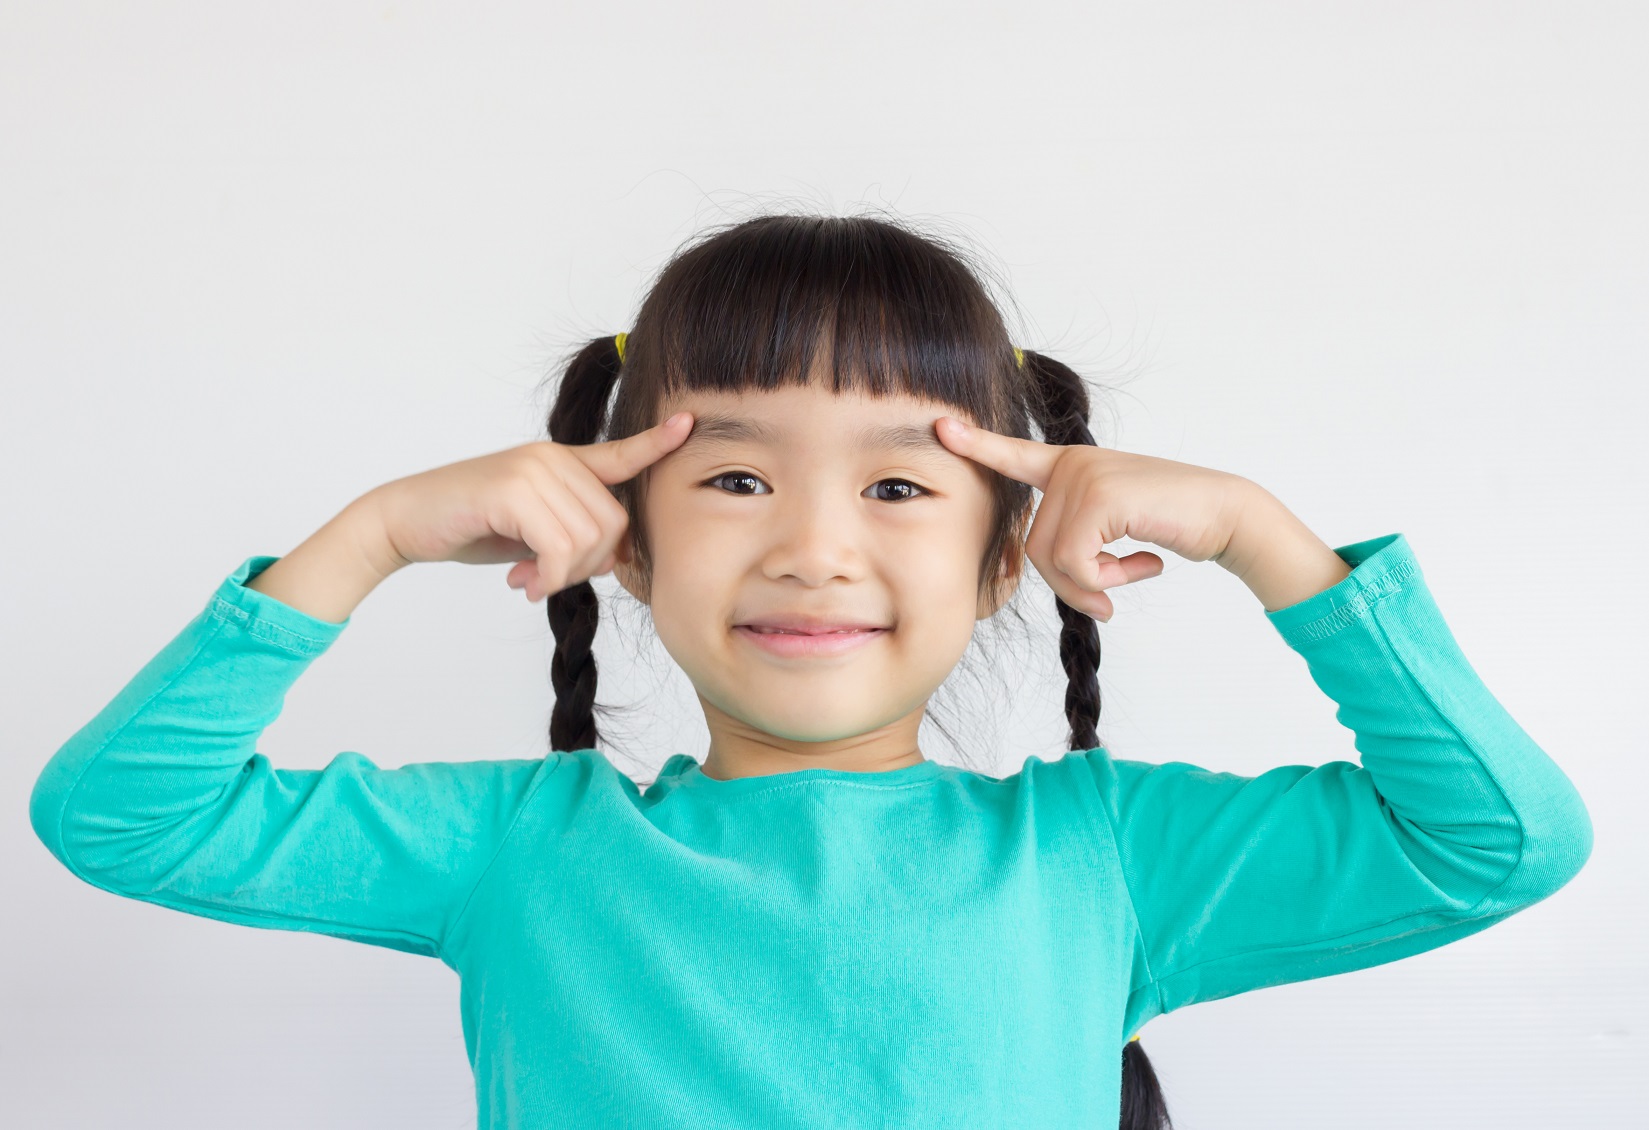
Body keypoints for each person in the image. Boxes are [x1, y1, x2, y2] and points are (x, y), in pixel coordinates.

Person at [29, 213, 1592, 1130]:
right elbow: (122, 815)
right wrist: (360, 539)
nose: (814, 549)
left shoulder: (1101, 855)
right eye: (734, 480)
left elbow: (1498, 841)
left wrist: (1266, 541)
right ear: (619, 542)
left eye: (898, 485)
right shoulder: (518, 849)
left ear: (1005, 553)